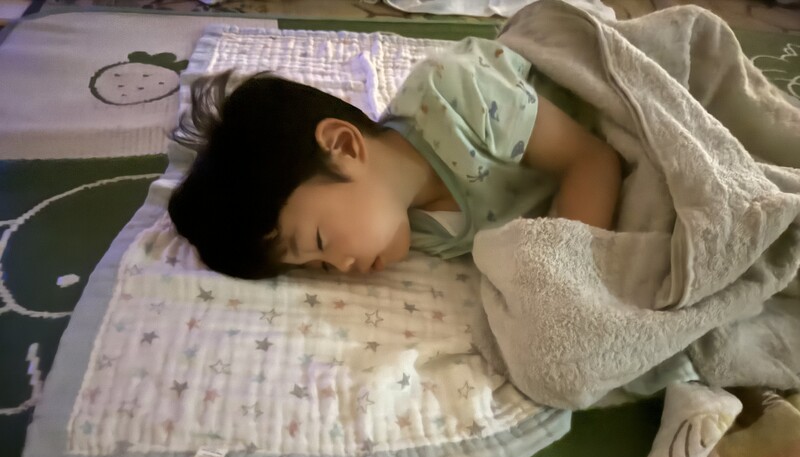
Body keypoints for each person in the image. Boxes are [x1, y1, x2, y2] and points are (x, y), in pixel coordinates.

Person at [168, 36, 622, 279]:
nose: (341, 267)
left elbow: (592, 161)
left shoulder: (457, 98)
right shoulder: (420, 231)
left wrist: (569, 284)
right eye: (319, 267)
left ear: (344, 147)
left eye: (321, 242)